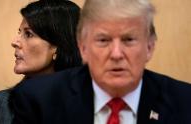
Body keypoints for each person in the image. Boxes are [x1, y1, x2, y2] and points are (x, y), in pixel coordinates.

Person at [11, 0, 191, 124]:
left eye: (129, 40)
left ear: (149, 47)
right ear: (83, 48)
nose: (116, 54)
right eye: (103, 40)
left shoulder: (184, 101)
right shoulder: (39, 101)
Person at [0, 0, 81, 124]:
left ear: (58, 46)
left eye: (28, 34)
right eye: (19, 32)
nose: (14, 42)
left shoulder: (93, 106)